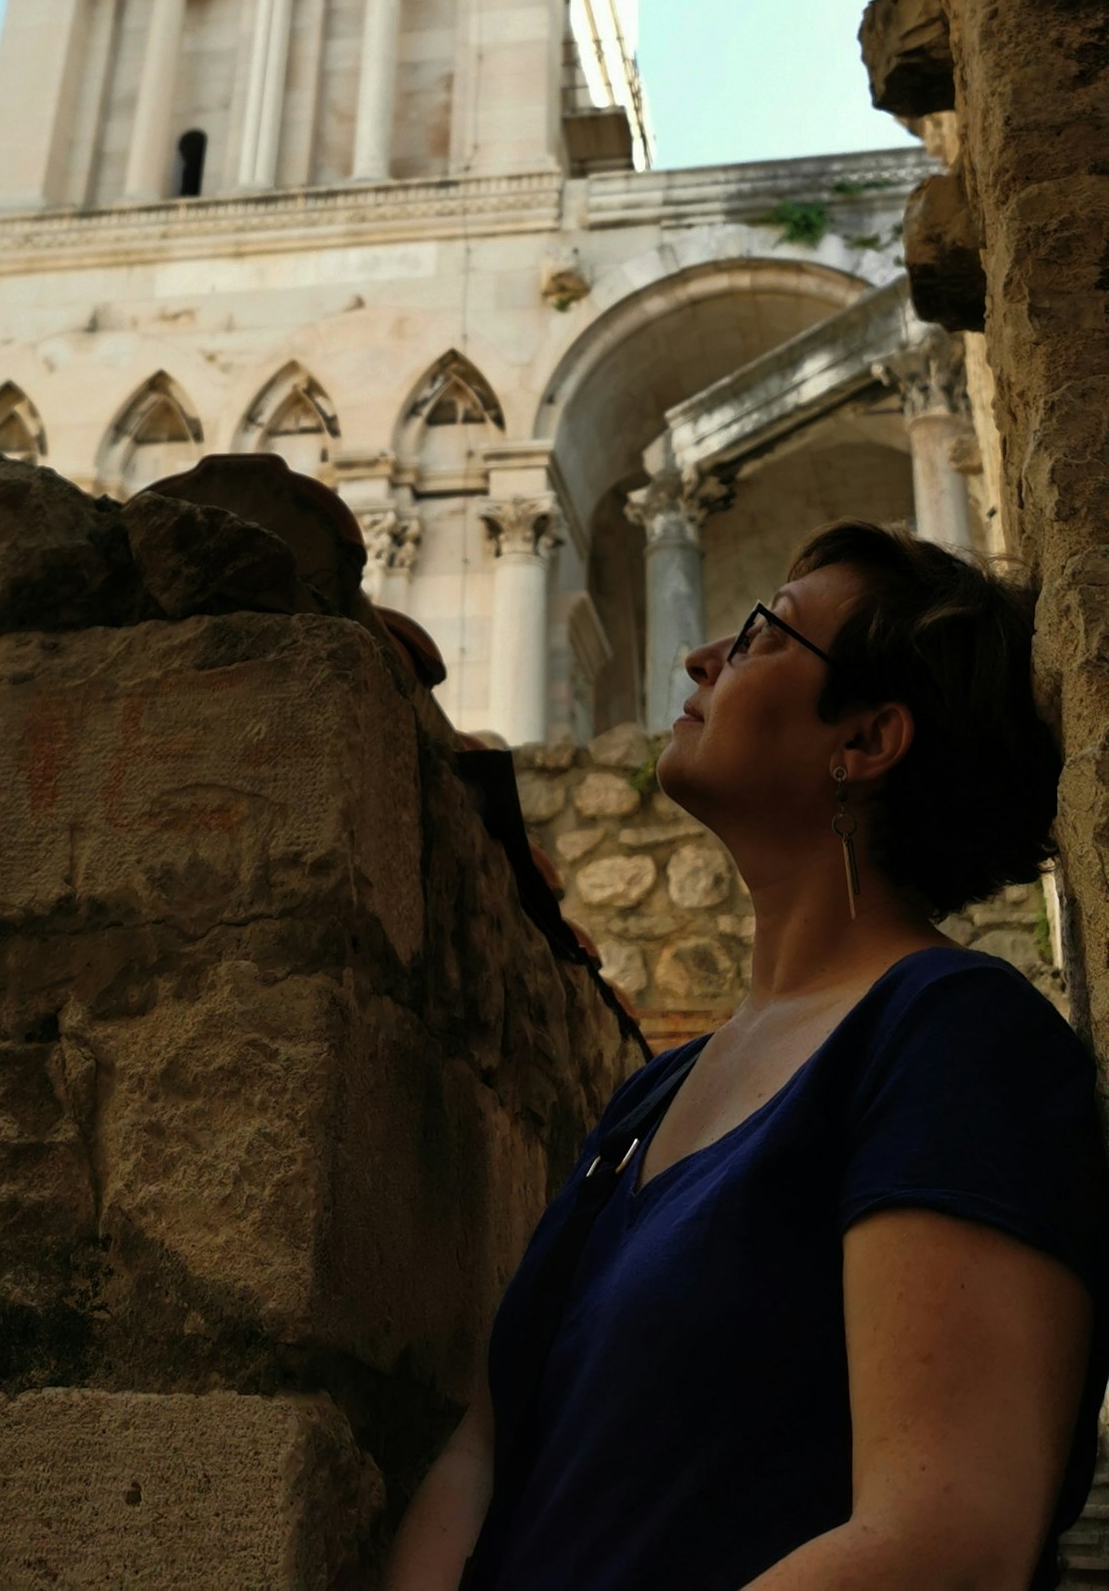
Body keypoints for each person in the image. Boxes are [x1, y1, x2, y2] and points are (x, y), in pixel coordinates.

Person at [384, 522, 1109, 1591]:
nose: (699, 657)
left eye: (764, 632)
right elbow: (483, 1452)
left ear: (865, 741)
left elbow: (944, 1538)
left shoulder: (955, 1040)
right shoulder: (649, 1095)